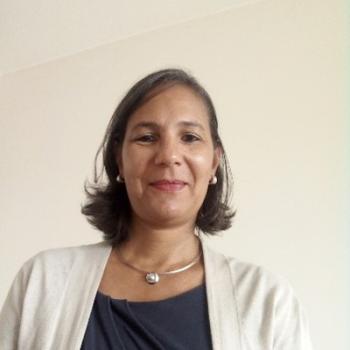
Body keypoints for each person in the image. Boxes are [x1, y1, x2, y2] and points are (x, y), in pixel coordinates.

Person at [0, 68, 313, 350]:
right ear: (119, 160)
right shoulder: (43, 281)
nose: (168, 156)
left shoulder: (267, 300)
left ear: (214, 162)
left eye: (190, 137)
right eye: (147, 137)